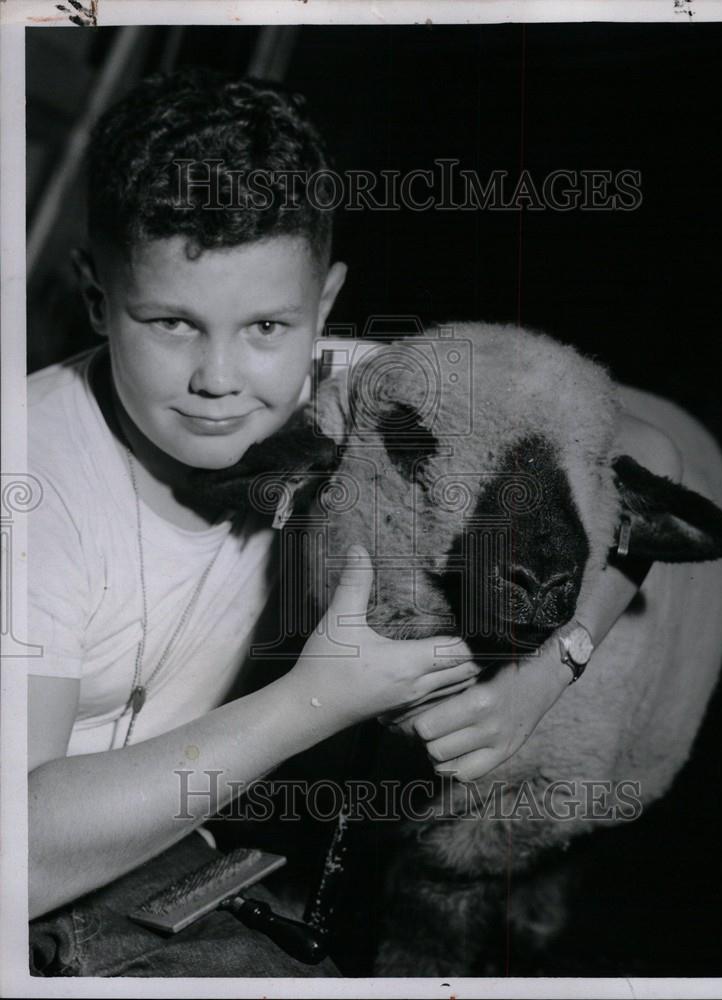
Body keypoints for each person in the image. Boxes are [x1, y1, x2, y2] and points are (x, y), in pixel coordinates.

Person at [27, 68, 680, 978]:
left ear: (322, 306)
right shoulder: (33, 482)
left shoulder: (347, 388)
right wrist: (319, 698)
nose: (221, 378)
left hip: (197, 838)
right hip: (62, 880)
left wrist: (552, 669)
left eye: (266, 325)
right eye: (171, 323)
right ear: (96, 297)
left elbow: (641, 442)